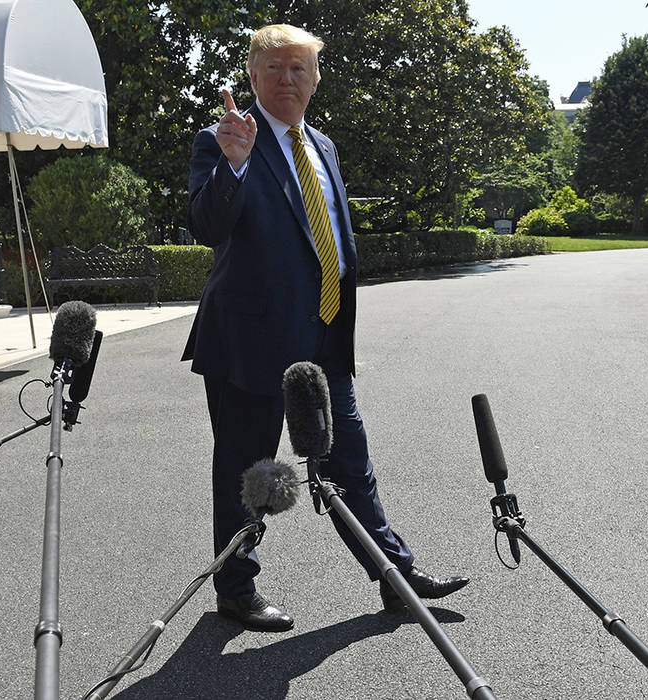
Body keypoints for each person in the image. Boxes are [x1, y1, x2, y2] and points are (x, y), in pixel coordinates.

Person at [182, 23, 467, 632]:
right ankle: (236, 588)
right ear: (253, 75)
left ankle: (395, 576)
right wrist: (233, 166)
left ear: (316, 78)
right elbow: (206, 226)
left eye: (300, 69)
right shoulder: (224, 139)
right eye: (276, 68)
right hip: (250, 341)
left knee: (350, 465)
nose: (288, 79)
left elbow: (325, 235)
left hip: (324, 338)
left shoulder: (325, 146)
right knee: (247, 470)